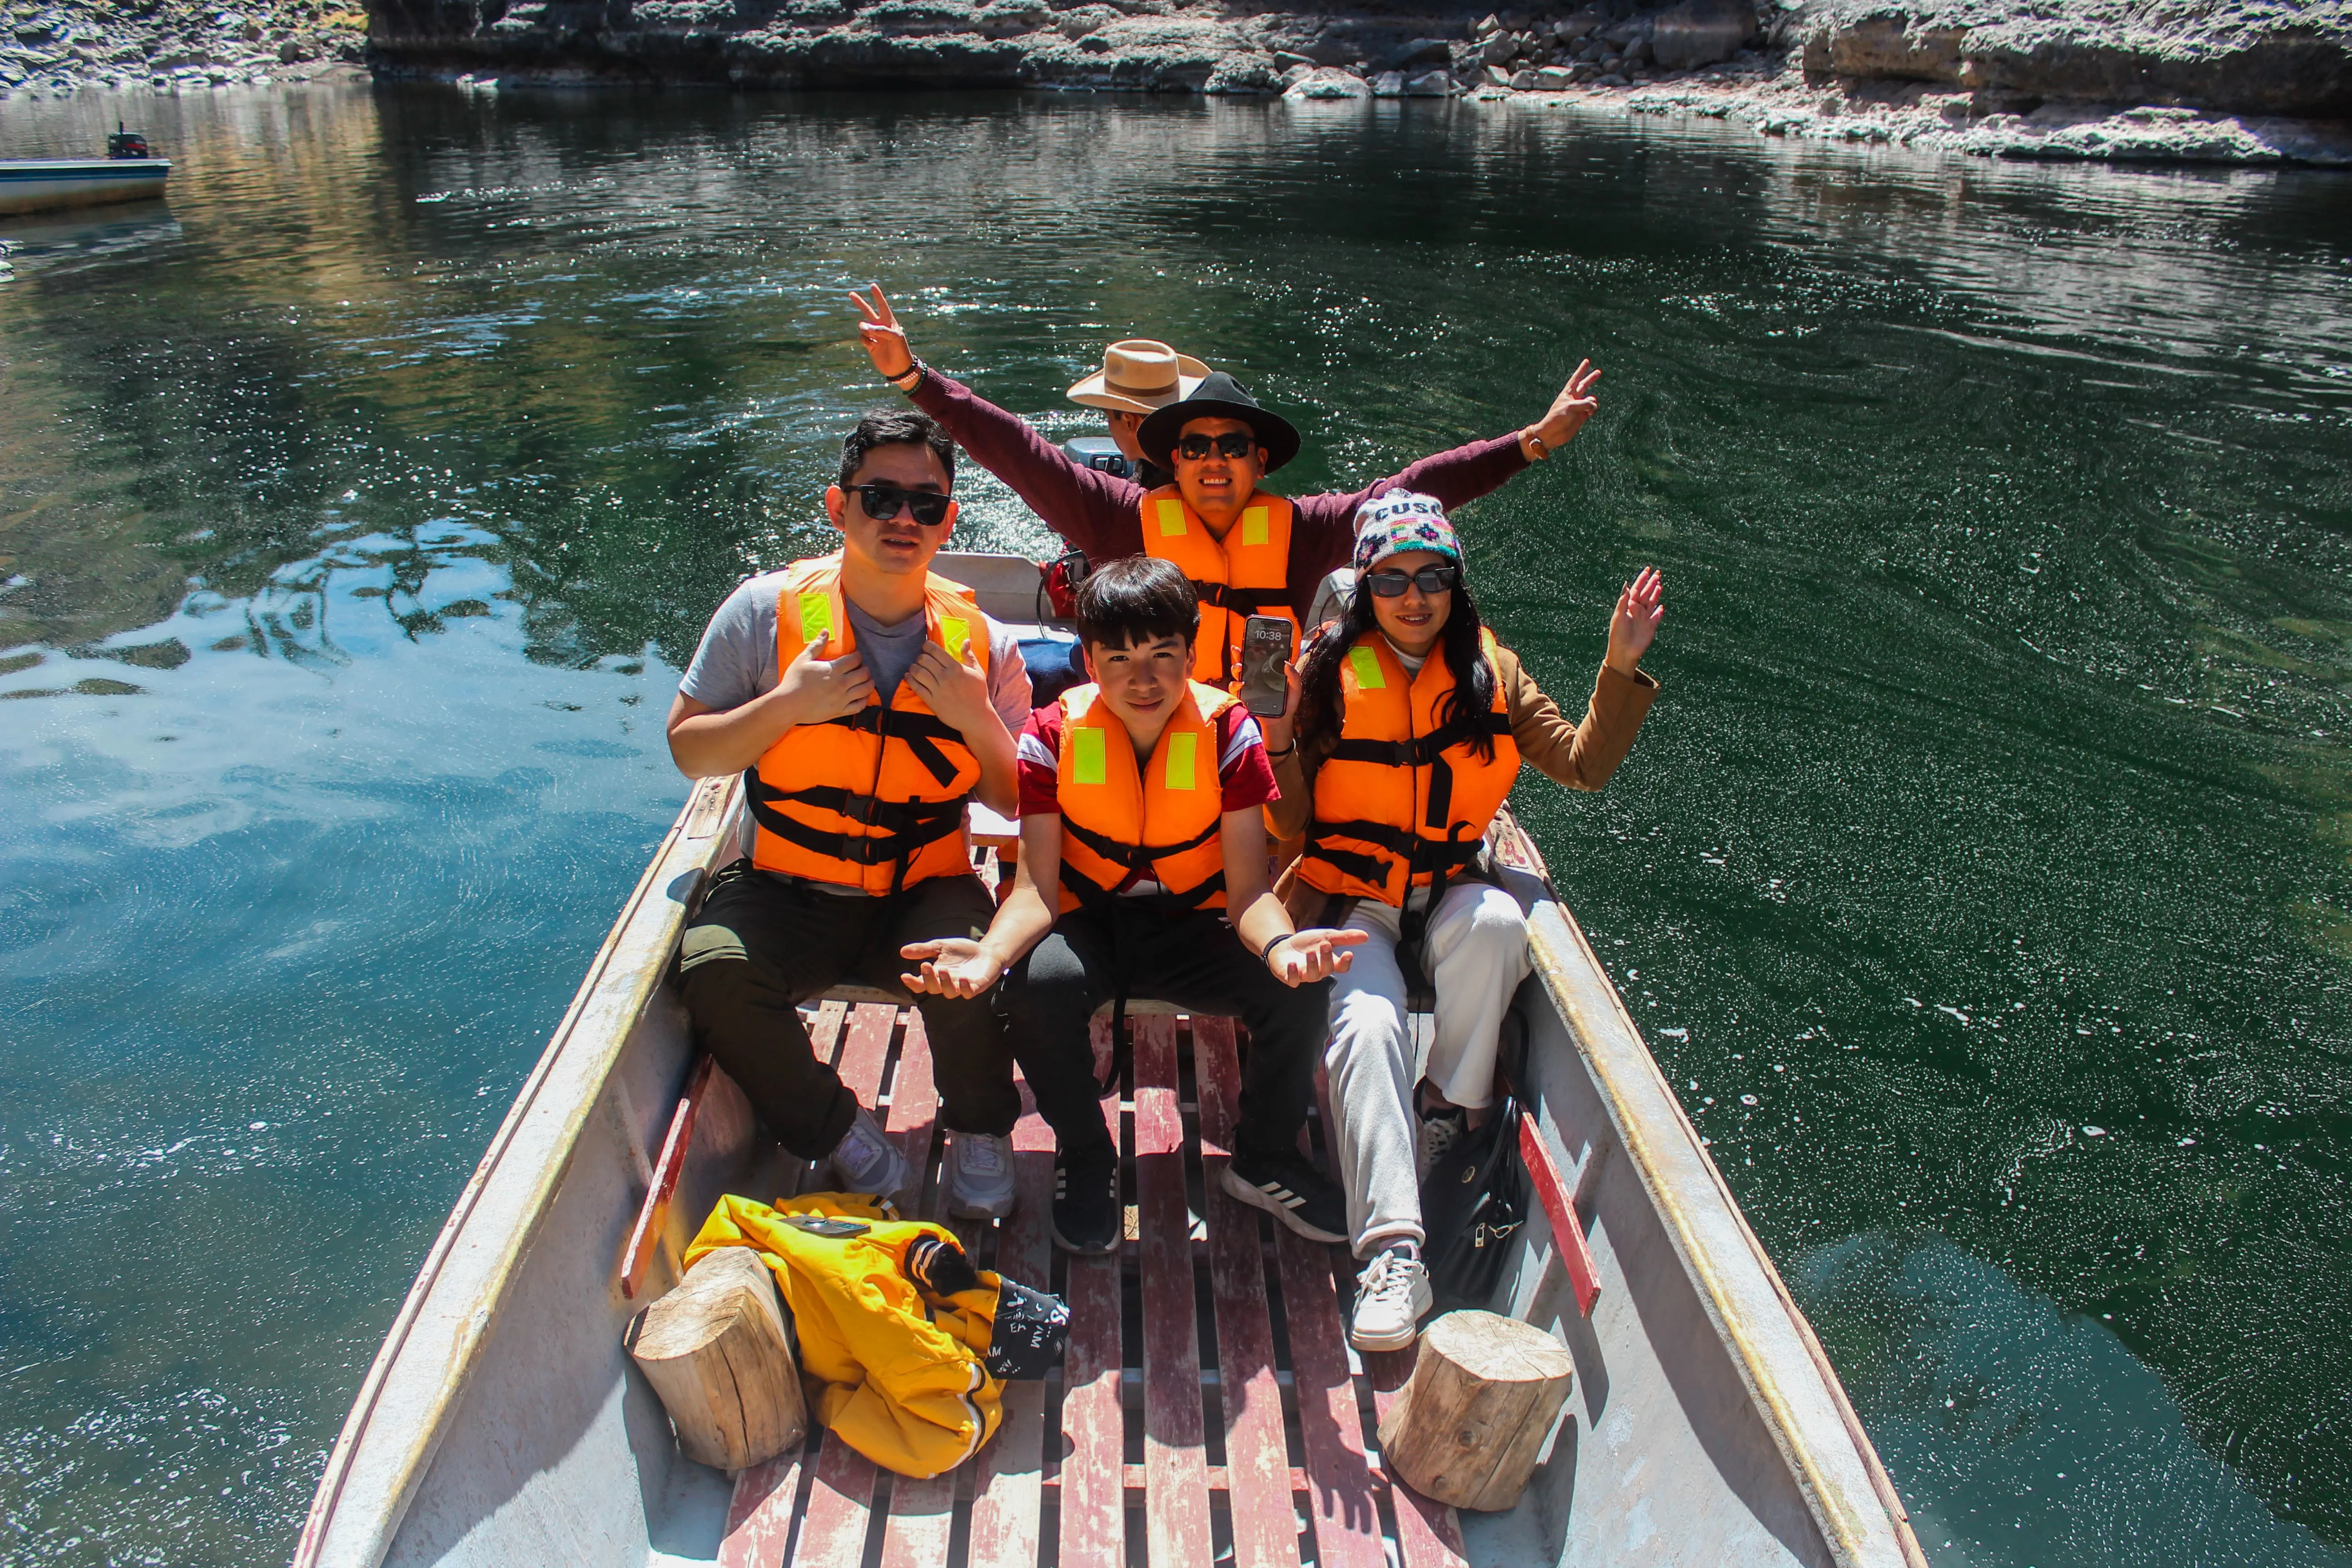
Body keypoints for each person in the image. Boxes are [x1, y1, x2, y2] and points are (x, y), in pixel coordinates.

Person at [1262, 491, 1663, 1352]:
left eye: (1431, 576)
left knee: (1494, 925)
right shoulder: (1325, 673)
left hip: (1446, 884)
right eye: (1391, 579)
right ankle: (1391, 1255)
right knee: (1365, 1021)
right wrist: (1275, 729)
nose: (1413, 596)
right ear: (1365, 587)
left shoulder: (1493, 672)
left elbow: (1584, 766)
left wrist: (1618, 663)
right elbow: (1286, 825)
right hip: (1352, 899)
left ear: (1454, 583)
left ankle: (1448, 1109)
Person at [897, 557, 1365, 1255]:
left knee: (1297, 988)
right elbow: (1035, 889)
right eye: (1117, 657)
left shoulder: (1229, 735)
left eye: (1162, 656)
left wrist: (1281, 946)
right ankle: (1086, 1152)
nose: (1141, 679)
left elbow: (1247, 893)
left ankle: (1264, 1156)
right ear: (1088, 659)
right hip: (1091, 922)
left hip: (1199, 922)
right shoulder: (1050, 737)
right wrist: (991, 955)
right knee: (1033, 988)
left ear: (1193, 654)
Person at [851, 284, 1604, 691]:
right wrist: (916, 380)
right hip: (1136, 708)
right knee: (1019, 671)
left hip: (1255, 734)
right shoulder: (1121, 517)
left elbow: (1417, 488)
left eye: (1233, 446)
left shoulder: (1304, 528)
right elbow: (1018, 451)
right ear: (1172, 462)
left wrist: (1529, 442)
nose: (1214, 460)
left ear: (1260, 462)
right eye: (1195, 446)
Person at [666, 408, 1032, 1221]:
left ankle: (979, 1126)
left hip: (920, 883)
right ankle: (833, 1126)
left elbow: (1016, 801)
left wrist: (976, 716)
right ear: (839, 508)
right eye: (881, 498)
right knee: (712, 966)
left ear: (948, 519)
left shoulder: (984, 645)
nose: (904, 519)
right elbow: (693, 751)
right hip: (787, 884)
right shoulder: (761, 614)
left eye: (925, 504)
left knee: (972, 963)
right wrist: (788, 704)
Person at [1063, 338, 1211, 490]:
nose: (1110, 427)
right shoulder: (1201, 462)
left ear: (1129, 422)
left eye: (1109, 418)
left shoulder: (1141, 497)